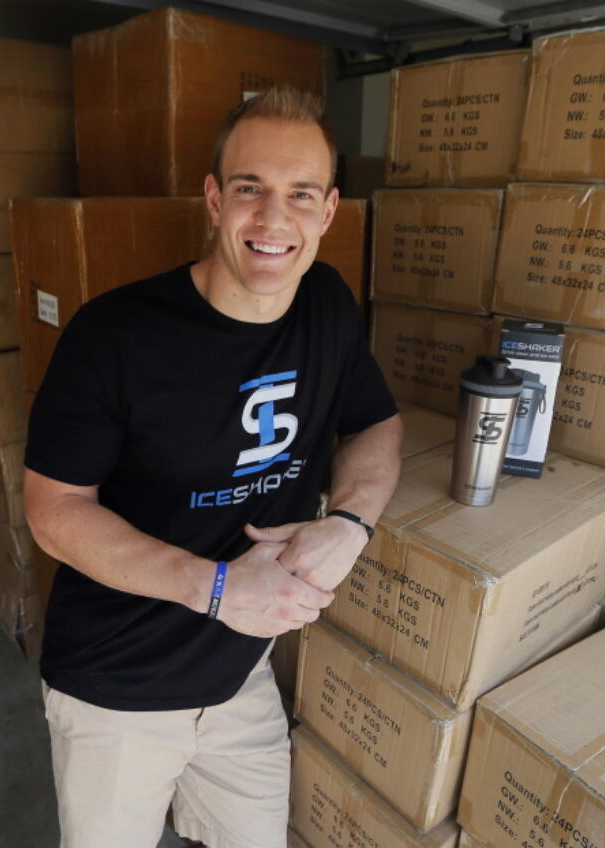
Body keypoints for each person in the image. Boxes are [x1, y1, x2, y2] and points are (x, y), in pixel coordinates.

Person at [23, 86, 403, 848]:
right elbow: (55, 513)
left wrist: (350, 524)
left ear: (329, 211)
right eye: (248, 189)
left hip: (238, 678)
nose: (273, 219)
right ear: (212, 199)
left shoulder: (327, 304)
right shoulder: (114, 335)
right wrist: (220, 587)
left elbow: (377, 425)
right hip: (118, 685)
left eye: (300, 195)